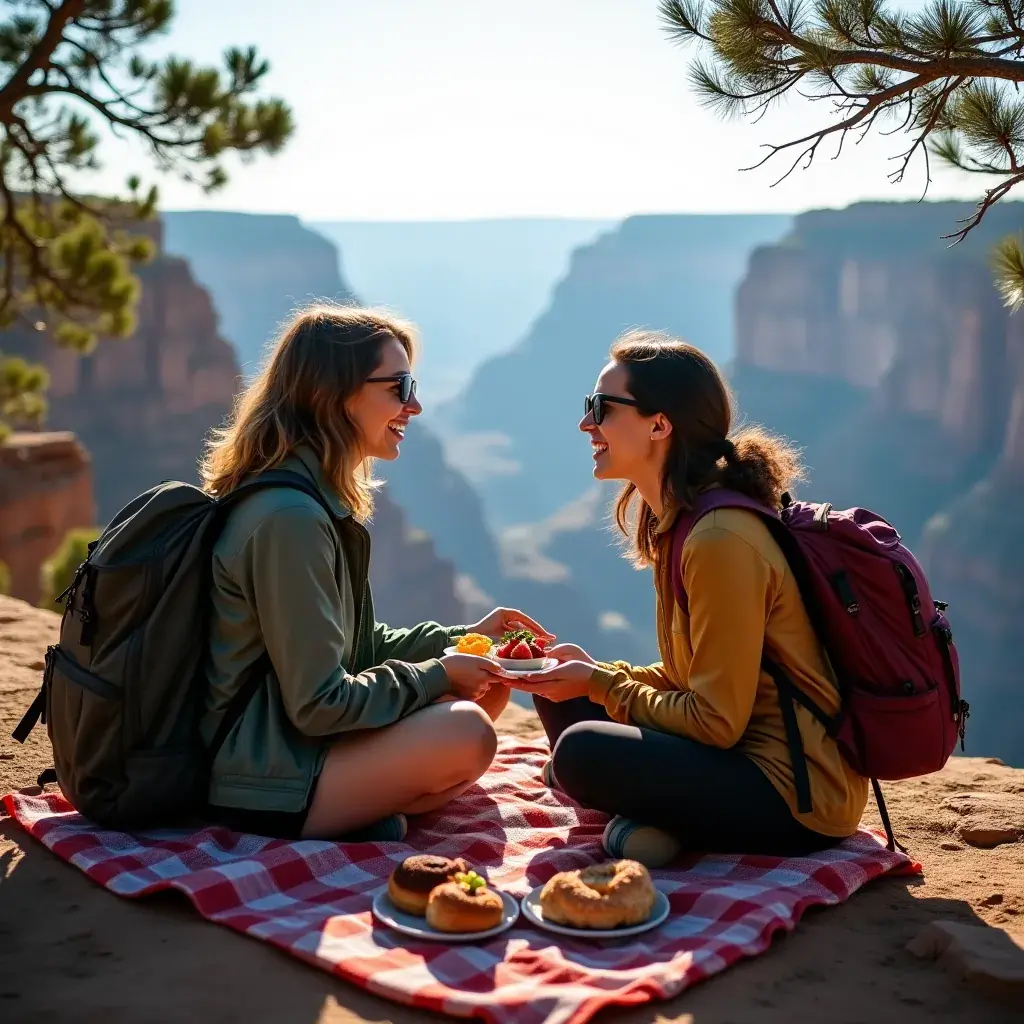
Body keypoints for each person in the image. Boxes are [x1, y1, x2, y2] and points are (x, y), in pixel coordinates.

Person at [507, 330, 868, 867]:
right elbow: (693, 678)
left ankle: (657, 819)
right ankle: (655, 819)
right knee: (560, 691)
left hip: (792, 794)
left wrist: (604, 684)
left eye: (602, 408)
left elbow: (714, 721)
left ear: (660, 424)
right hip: (731, 753)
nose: (587, 423)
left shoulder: (720, 539)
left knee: (582, 751)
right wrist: (591, 673)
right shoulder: (679, 521)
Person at [198, 304, 552, 841]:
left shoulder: (309, 500)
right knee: (466, 731)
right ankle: (349, 817)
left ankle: (367, 812)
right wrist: (440, 673)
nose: (415, 405)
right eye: (399, 386)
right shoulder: (290, 520)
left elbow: (356, 647)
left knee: (480, 695)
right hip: (255, 781)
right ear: (333, 394)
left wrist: (467, 642)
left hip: (287, 750)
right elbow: (321, 704)